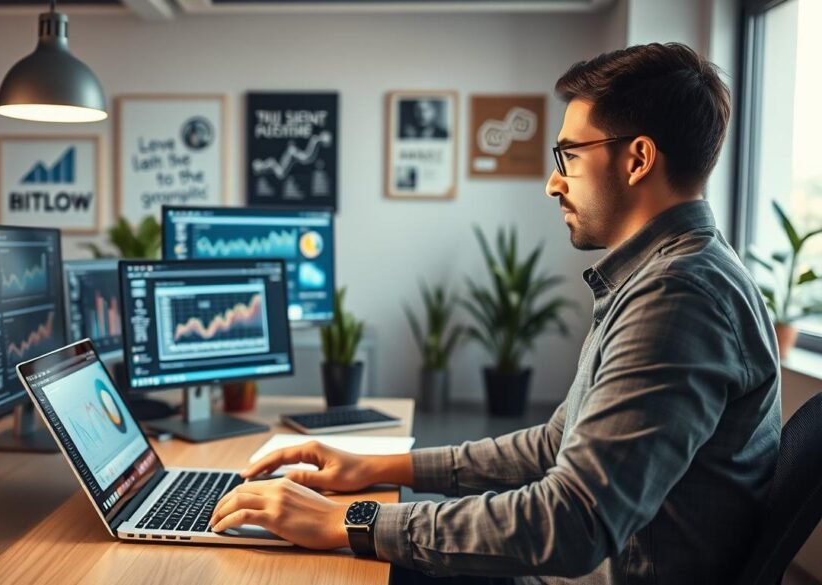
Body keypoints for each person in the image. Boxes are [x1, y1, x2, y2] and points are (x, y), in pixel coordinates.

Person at [211, 42, 780, 584]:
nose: (553, 182)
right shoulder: (671, 275)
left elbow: (573, 521)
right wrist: (375, 469)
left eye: (569, 155)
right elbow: (555, 445)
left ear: (637, 159)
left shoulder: (677, 298)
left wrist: (348, 520)